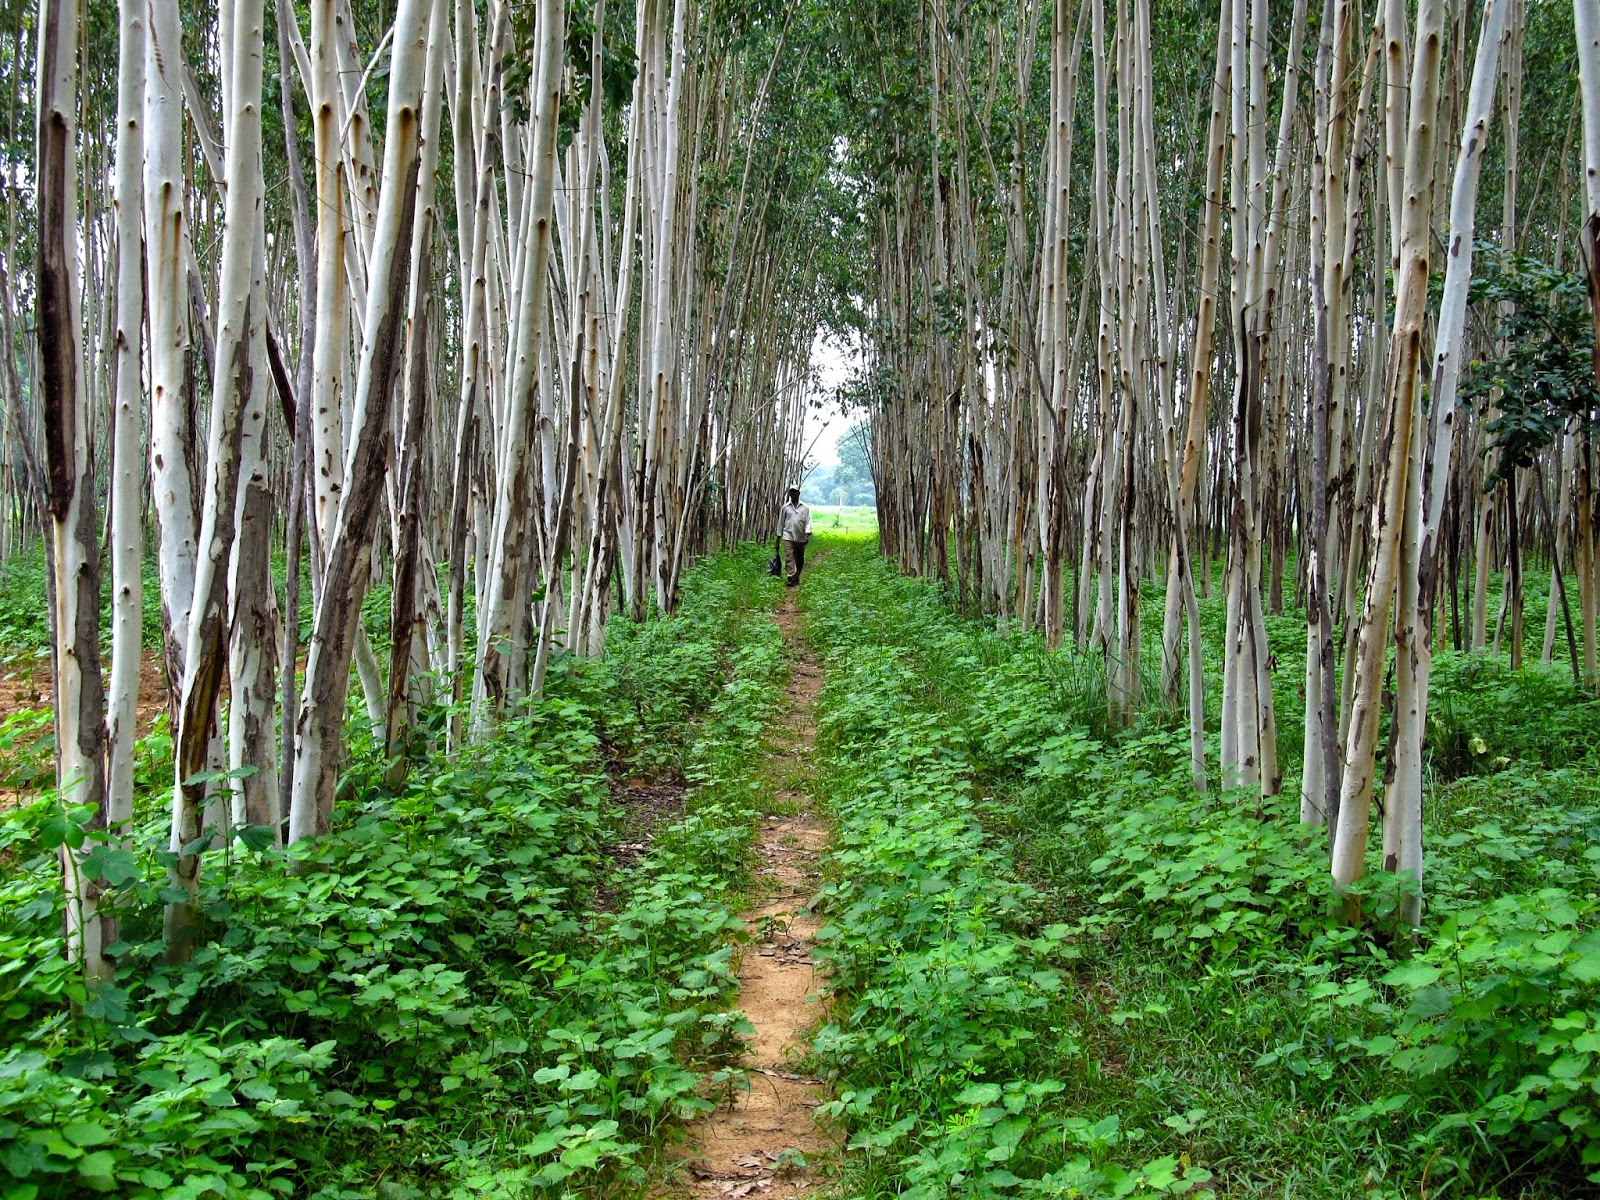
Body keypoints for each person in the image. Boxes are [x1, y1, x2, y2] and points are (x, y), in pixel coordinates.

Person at [778, 486, 812, 586]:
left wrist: (806, 535)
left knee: (799, 558)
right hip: (787, 536)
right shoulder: (785, 507)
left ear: (799, 493)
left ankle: (797, 575)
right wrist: (778, 537)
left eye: (795, 492)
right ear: (789, 494)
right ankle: (791, 577)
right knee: (789, 556)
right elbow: (781, 523)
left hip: (801, 537)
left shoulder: (805, 508)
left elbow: (808, 522)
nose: (793, 494)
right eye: (791, 492)